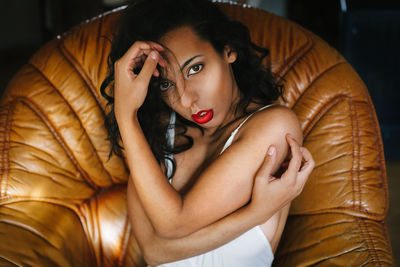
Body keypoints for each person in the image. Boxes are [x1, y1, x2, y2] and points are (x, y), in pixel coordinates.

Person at [100, 0, 315, 266]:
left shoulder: (274, 126)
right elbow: (153, 253)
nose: (186, 99)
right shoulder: (157, 131)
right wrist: (255, 213)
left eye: (195, 68)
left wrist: (125, 116)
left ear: (228, 51)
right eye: (167, 83)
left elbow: (173, 224)